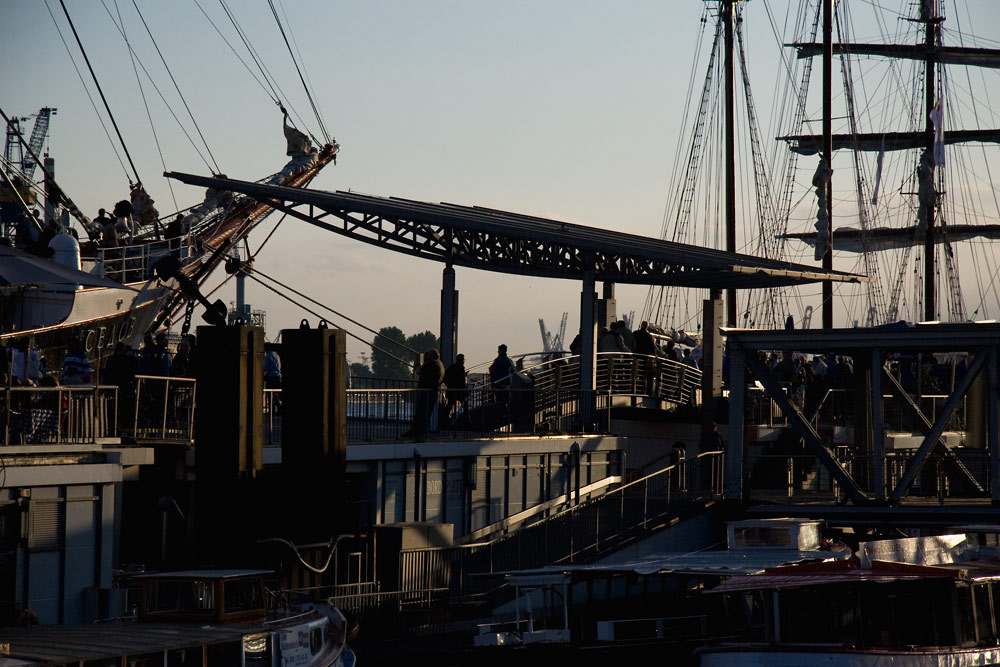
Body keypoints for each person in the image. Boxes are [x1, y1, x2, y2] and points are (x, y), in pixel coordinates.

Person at [413, 349, 445, 438]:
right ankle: (423, 430)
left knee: (422, 412)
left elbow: (420, 371)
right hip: (434, 391)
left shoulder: (431, 364)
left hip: (426, 391)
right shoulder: (440, 364)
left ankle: (419, 431)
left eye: (428, 354)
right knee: (427, 412)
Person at [443, 354, 469, 426]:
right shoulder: (460, 369)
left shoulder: (451, 368)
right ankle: (466, 422)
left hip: (452, 390)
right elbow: (462, 382)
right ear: (462, 360)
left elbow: (445, 378)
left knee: (449, 406)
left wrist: (450, 385)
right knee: (465, 406)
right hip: (460, 391)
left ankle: (445, 421)